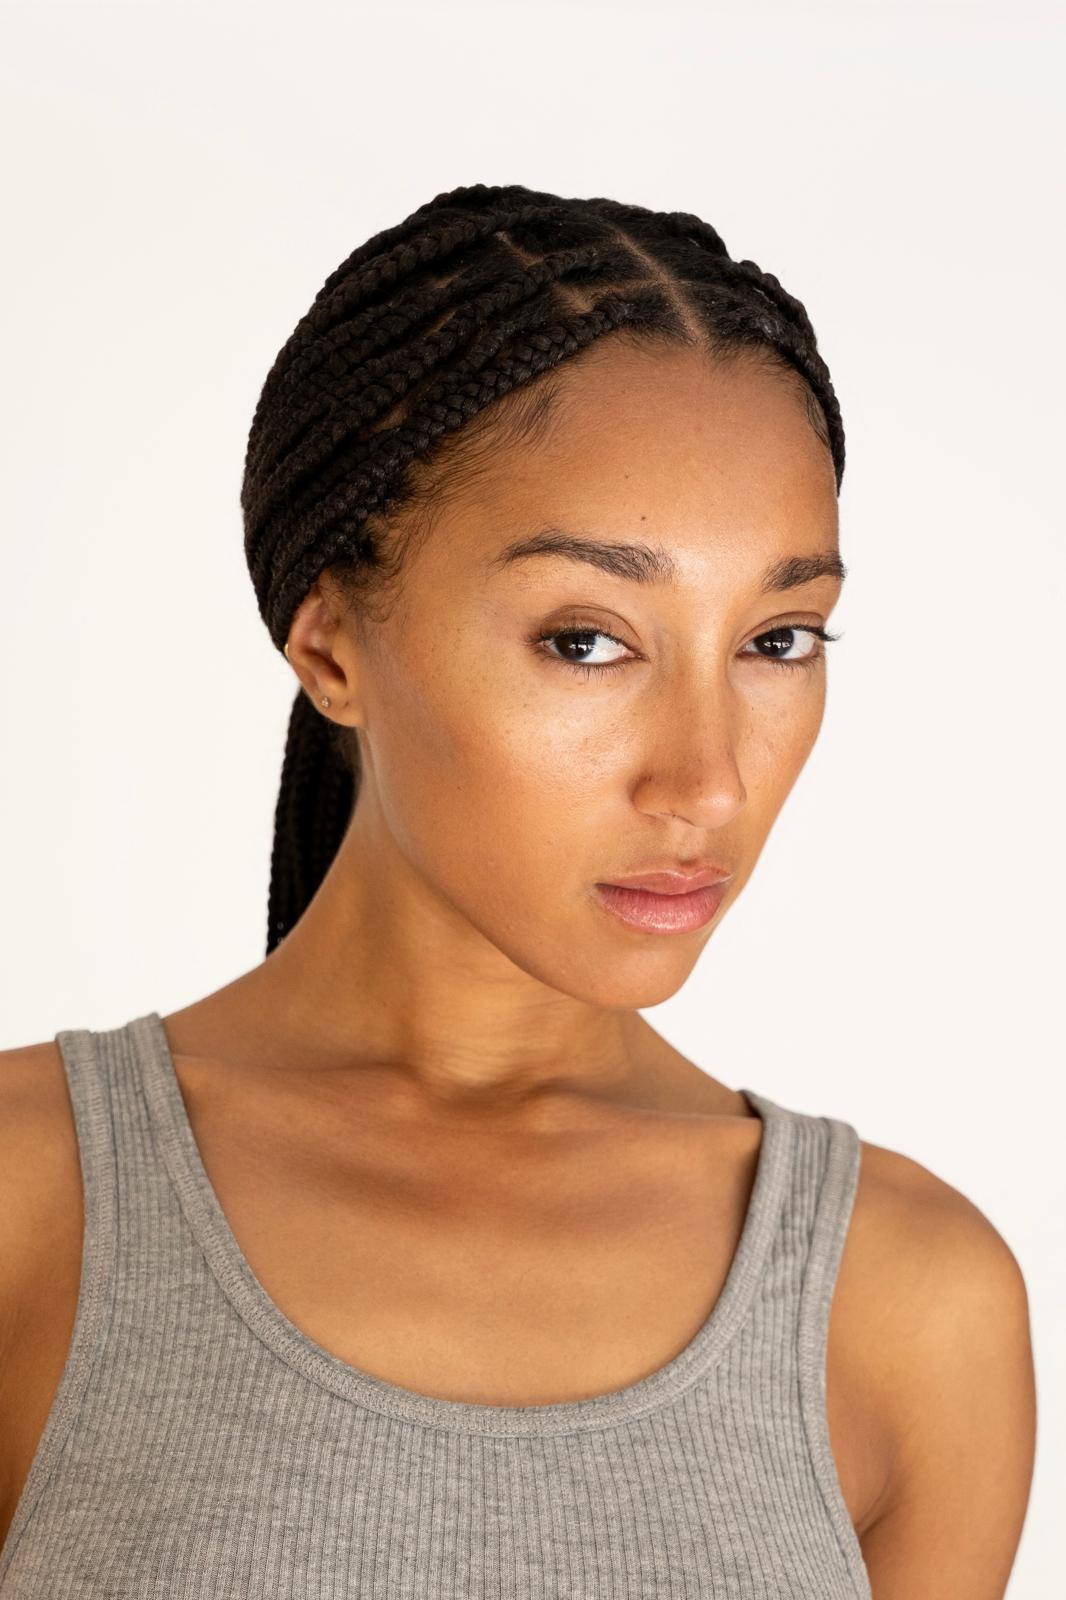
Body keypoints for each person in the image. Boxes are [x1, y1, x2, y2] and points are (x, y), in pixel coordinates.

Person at [0, 182, 1035, 1597]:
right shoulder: (32, 1202)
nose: (706, 778)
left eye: (777, 639)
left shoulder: (907, 1299)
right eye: (586, 641)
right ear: (330, 644)